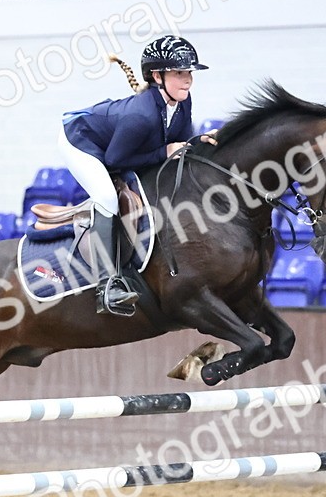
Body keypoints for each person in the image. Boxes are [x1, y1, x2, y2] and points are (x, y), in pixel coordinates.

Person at [59, 35, 216, 316]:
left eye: (189, 73)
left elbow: (180, 145)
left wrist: (201, 142)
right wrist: (164, 151)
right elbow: (115, 160)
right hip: (81, 141)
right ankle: (107, 286)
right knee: (107, 198)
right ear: (157, 76)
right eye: (179, 73)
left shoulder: (183, 101)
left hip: (118, 145)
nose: (188, 80)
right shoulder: (141, 115)